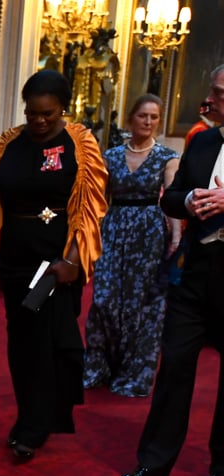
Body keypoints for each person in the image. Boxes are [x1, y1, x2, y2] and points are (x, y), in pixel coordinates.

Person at [0, 69, 108, 460]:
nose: (39, 121)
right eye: (32, 114)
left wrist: (72, 259)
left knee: (48, 344)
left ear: (63, 110)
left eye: (48, 115)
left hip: (58, 262)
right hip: (15, 260)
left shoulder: (80, 143)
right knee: (21, 342)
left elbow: (90, 206)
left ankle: (34, 426)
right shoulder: (9, 143)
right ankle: (30, 416)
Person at [120, 63, 224, 476]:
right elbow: (173, 196)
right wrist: (192, 200)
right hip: (195, 273)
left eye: (219, 92)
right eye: (215, 90)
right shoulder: (202, 142)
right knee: (174, 369)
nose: (212, 99)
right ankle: (154, 463)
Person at [83, 94, 180, 397]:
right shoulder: (110, 155)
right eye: (143, 116)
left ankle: (134, 372)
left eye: (154, 117)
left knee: (143, 304)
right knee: (105, 299)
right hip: (113, 229)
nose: (148, 122)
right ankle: (99, 366)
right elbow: (98, 200)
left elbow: (173, 199)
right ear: (130, 119)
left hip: (149, 232)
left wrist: (176, 236)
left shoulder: (168, 156)